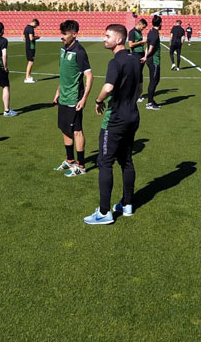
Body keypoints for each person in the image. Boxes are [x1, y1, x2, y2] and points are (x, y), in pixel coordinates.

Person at [84, 24, 141, 225]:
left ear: (119, 40)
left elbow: (108, 87)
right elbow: (139, 88)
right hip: (133, 115)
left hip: (116, 119)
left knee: (105, 162)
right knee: (126, 160)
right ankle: (127, 205)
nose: (104, 39)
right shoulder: (135, 60)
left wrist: (98, 101)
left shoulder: (115, 62)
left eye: (107, 36)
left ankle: (104, 212)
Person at [52, 20, 94, 177]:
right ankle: (70, 160)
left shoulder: (80, 52)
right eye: (61, 33)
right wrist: (58, 91)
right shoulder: (63, 49)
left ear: (74, 34)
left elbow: (89, 76)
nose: (61, 37)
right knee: (64, 129)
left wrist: (84, 99)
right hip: (63, 97)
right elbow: (65, 74)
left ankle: (81, 166)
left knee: (77, 131)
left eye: (65, 34)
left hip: (74, 99)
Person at [141, 15, 162, 110]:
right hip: (154, 60)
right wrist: (146, 57)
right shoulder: (154, 34)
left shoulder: (151, 32)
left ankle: (151, 100)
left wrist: (145, 56)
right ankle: (150, 103)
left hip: (151, 59)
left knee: (155, 80)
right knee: (154, 81)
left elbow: (147, 47)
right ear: (160, 23)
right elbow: (150, 48)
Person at [128, 19, 148, 102]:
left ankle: (138, 94)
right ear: (139, 24)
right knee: (137, 74)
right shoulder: (132, 32)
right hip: (136, 54)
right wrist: (141, 42)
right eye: (142, 27)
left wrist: (142, 43)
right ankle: (134, 95)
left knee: (140, 73)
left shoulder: (139, 32)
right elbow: (130, 44)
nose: (142, 29)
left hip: (141, 53)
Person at [23, 19, 40, 83]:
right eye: (36, 26)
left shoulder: (26, 27)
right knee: (31, 62)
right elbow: (31, 38)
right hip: (31, 47)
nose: (36, 27)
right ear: (34, 23)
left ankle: (29, 76)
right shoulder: (31, 28)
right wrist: (37, 37)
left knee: (30, 61)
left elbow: (23, 37)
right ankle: (27, 77)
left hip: (27, 46)